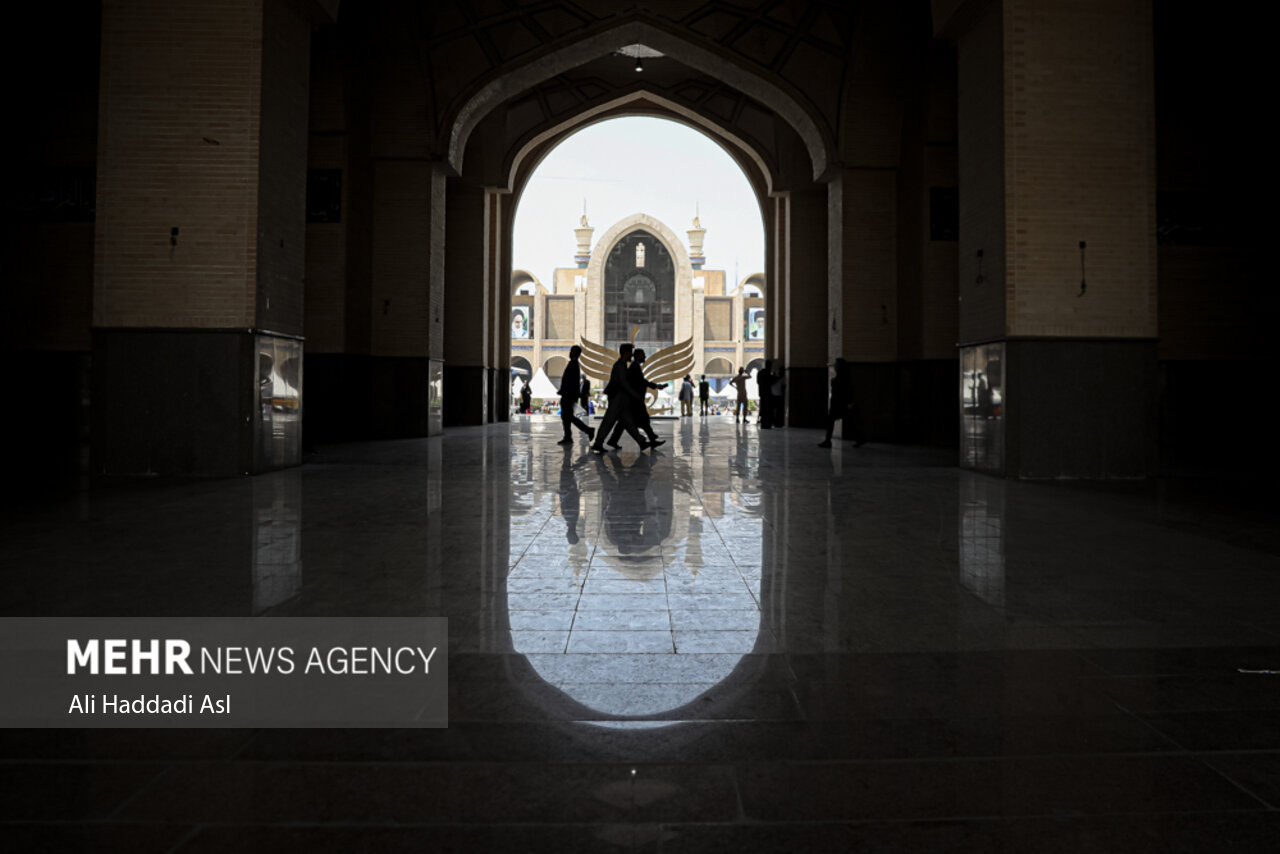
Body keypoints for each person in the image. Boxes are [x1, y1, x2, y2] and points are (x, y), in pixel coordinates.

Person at [591, 343, 646, 454]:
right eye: (630, 352)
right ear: (626, 353)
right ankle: (598, 443)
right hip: (617, 398)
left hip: (621, 399)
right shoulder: (620, 366)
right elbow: (623, 383)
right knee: (609, 421)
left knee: (628, 422)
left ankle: (641, 442)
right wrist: (634, 394)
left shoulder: (623, 365)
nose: (632, 354)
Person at [607, 348, 667, 449]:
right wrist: (656, 386)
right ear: (638, 355)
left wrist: (656, 386)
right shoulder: (634, 366)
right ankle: (651, 439)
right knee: (642, 419)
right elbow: (641, 381)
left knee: (625, 422)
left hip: (634, 398)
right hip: (635, 399)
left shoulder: (635, 366)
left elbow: (641, 381)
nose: (645, 357)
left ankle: (614, 440)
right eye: (643, 355)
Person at [819, 358, 864, 448]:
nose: (835, 366)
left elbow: (847, 390)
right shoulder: (840, 376)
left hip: (840, 404)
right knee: (845, 422)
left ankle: (828, 441)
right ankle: (860, 438)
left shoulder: (843, 377)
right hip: (838, 403)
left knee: (834, 421)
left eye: (836, 364)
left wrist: (850, 402)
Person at [556, 345, 595, 445]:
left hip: (568, 395)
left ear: (577, 353)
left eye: (572, 351)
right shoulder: (573, 363)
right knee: (566, 417)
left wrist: (566, 392)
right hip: (568, 394)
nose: (570, 353)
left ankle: (588, 430)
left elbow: (571, 382)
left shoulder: (573, 364)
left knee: (568, 416)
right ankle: (568, 436)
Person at [758, 362, 774, 428]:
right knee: (768, 409)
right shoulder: (768, 373)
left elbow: (758, 382)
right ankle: (767, 424)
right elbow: (771, 381)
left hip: (762, 392)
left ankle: (763, 423)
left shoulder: (760, 373)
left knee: (763, 408)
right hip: (768, 393)